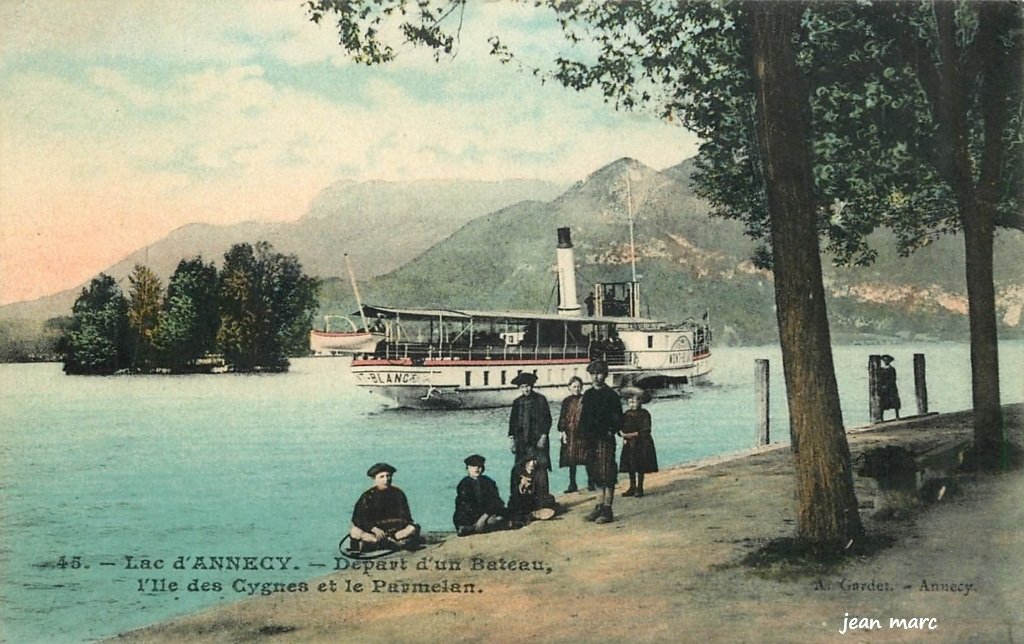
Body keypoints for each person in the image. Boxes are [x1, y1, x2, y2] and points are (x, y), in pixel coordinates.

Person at [579, 359, 623, 524]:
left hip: (605, 439)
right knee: (595, 472)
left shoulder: (611, 395)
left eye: (599, 374)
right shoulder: (588, 394)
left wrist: (611, 430)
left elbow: (618, 417)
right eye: (593, 374)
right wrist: (582, 435)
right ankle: (598, 505)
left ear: (605, 375)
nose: (596, 377)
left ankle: (607, 508)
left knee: (607, 473)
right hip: (590, 439)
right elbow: (583, 417)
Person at [349, 463, 420, 551]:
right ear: (375, 479)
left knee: (413, 528)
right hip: (375, 534)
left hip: (395, 533)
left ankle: (387, 543)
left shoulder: (398, 494)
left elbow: (406, 517)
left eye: (388, 476)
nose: (386, 479)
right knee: (354, 531)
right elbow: (357, 518)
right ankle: (384, 543)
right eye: (382, 477)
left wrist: (396, 530)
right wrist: (373, 529)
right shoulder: (367, 496)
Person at [507, 371, 552, 503]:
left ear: (532, 386)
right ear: (519, 388)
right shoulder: (517, 402)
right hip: (522, 442)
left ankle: (542, 500)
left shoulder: (540, 400)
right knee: (521, 468)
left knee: (540, 468)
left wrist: (544, 436)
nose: (526, 389)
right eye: (522, 387)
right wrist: (512, 440)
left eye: (528, 386)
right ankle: (523, 500)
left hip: (538, 440)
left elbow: (547, 419)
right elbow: (512, 423)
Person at [452, 454, 508, 537]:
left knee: (500, 517)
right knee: (464, 521)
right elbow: (466, 505)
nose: (477, 469)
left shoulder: (489, 482)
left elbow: (496, 500)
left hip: (486, 515)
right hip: (469, 516)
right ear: (467, 468)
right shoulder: (463, 484)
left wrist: (484, 517)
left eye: (479, 466)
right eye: (473, 466)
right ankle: (473, 528)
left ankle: (476, 528)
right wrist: (479, 520)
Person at [618, 386, 658, 498]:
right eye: (629, 402)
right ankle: (632, 486)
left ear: (640, 401)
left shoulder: (644, 414)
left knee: (640, 466)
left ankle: (639, 487)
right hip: (630, 444)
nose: (632, 404)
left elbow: (645, 430)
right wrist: (621, 434)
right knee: (631, 465)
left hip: (642, 444)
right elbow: (621, 426)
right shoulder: (626, 414)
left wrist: (628, 435)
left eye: (634, 401)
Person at [557, 375, 592, 493]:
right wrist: (562, 432)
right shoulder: (566, 401)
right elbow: (562, 418)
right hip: (570, 433)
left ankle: (591, 482)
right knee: (571, 459)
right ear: (569, 388)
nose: (576, 389)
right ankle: (572, 484)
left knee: (587, 457)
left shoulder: (586, 399)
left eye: (578, 387)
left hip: (583, 433)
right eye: (574, 386)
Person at [507, 457, 557, 526]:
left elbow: (542, 492)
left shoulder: (540, 472)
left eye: (534, 460)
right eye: (529, 461)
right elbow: (513, 492)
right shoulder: (516, 470)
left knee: (550, 499)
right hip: (521, 500)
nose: (532, 463)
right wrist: (521, 486)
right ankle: (529, 515)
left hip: (534, 501)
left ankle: (531, 514)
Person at [878, 354, 901, 420]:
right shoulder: (881, 369)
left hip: (891, 387)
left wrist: (888, 385)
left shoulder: (892, 369)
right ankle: (881, 418)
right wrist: (882, 386)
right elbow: (880, 379)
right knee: (883, 402)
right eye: (884, 360)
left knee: (894, 401)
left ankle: (897, 416)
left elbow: (893, 378)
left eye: (887, 360)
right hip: (883, 387)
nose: (885, 361)